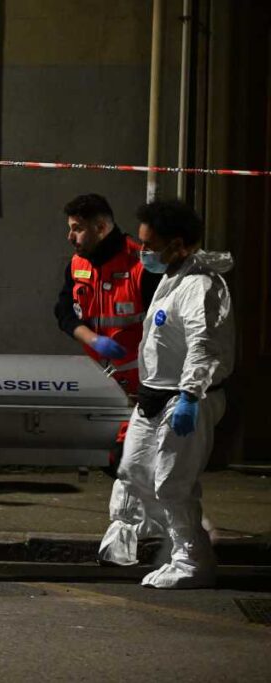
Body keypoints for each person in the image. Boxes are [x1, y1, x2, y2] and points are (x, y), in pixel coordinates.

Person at [117, 199, 234, 589]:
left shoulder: (200, 286)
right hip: (155, 395)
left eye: (149, 245)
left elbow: (203, 343)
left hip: (184, 398)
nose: (143, 252)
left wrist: (189, 395)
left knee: (172, 482)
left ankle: (192, 560)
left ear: (178, 243)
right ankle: (173, 539)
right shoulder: (174, 277)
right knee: (135, 470)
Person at [53, 194, 162, 566]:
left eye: (77, 229)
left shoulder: (140, 264)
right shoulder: (78, 264)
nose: (71, 237)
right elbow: (64, 311)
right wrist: (91, 339)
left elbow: (165, 323)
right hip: (102, 380)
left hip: (143, 383)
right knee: (127, 463)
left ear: (101, 227)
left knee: (127, 461)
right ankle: (159, 534)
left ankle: (130, 543)